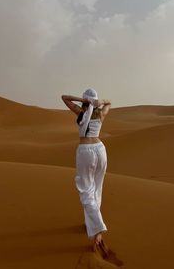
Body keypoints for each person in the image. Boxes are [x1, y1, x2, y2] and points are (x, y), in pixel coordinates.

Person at [61, 88, 111, 253]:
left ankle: (98, 228)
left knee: (85, 190)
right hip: (100, 149)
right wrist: (100, 102)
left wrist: (86, 103)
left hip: (86, 151)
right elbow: (109, 102)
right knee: (97, 188)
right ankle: (91, 223)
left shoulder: (81, 112)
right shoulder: (101, 113)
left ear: (84, 101)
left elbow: (64, 97)